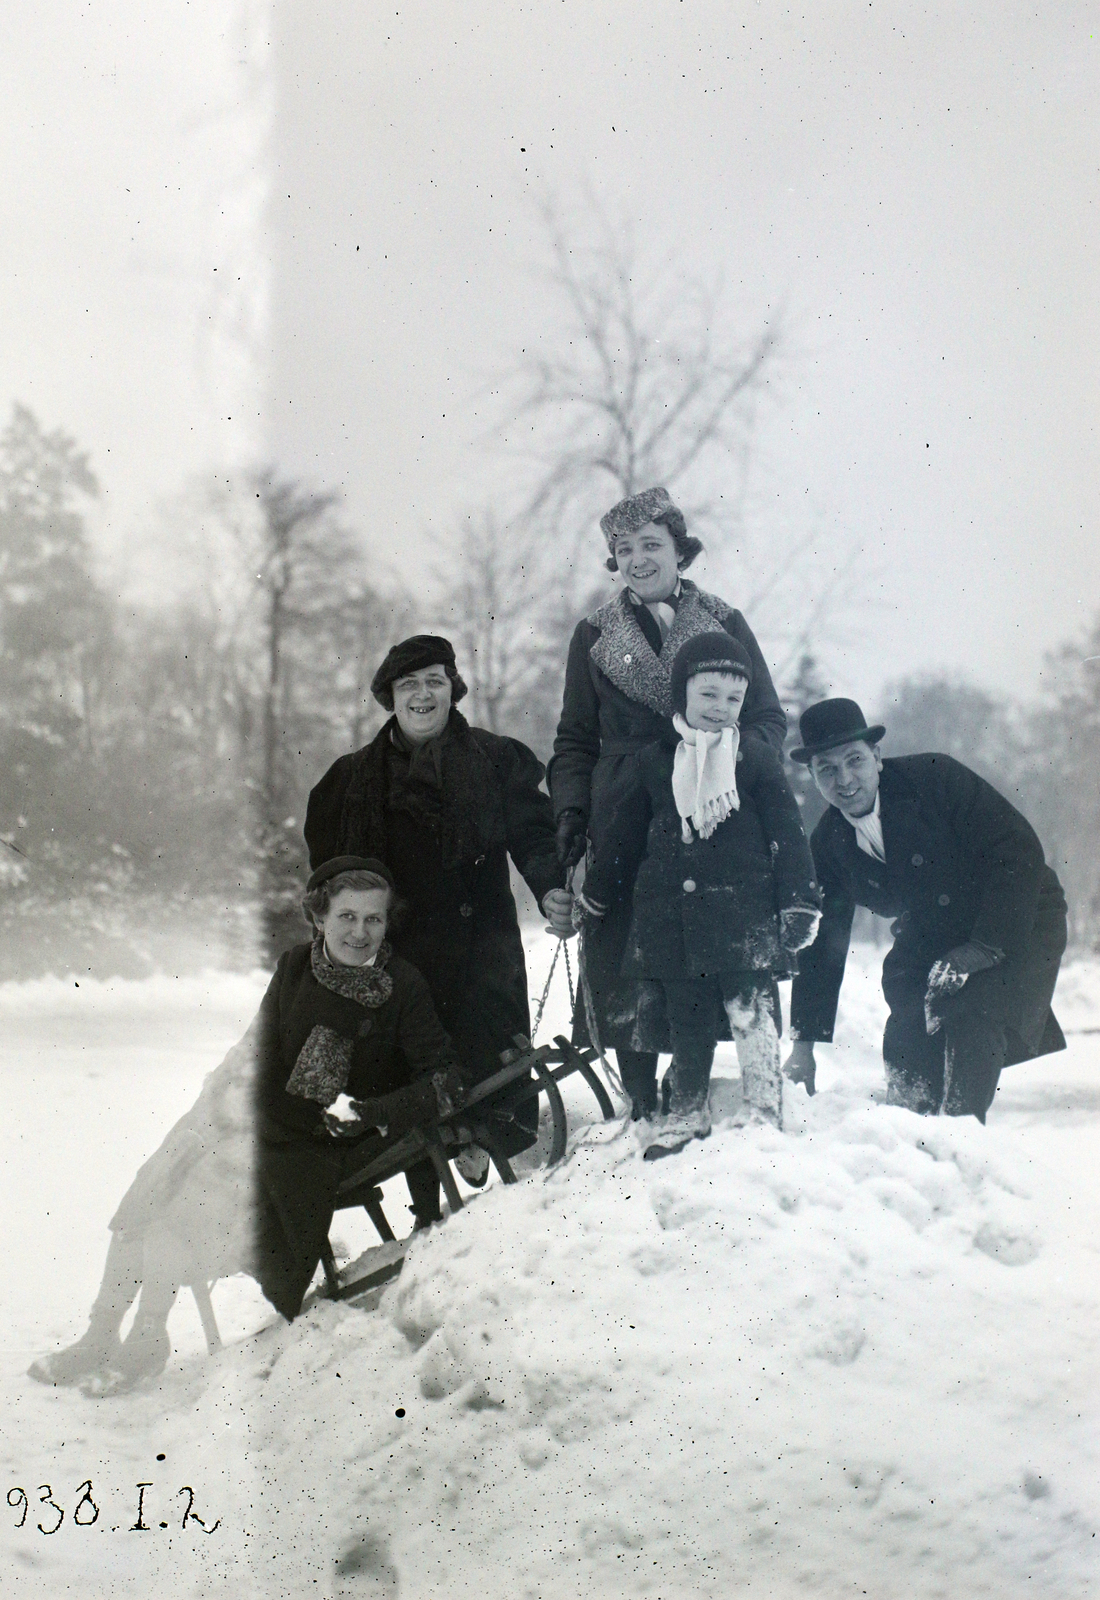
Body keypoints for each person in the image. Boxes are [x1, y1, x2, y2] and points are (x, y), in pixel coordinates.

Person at [29, 858, 468, 1396]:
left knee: (188, 1202)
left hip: (328, 1143)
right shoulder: (294, 968)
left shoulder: (401, 984)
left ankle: (145, 1340)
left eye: (373, 920)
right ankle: (100, 1336)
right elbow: (253, 1050)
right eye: (347, 916)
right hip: (266, 1120)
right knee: (159, 1180)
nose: (360, 932)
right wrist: (214, 1103)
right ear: (319, 917)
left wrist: (371, 1112)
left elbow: (444, 1081)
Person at [305, 636, 570, 1225]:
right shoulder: (351, 781)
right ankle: (429, 1209)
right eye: (409, 686)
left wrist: (550, 886)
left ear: (453, 688)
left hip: (483, 948)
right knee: (416, 1070)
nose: (423, 695)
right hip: (400, 956)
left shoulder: (495, 760)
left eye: (434, 681)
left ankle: (503, 1190)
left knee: (491, 1058)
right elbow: (331, 875)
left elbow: (533, 833)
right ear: (389, 699)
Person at [550, 487, 788, 1120]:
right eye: (622, 549)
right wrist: (572, 818)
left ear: (680, 552)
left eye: (650, 545)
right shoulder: (594, 634)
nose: (637, 559)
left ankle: (741, 1098)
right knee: (627, 946)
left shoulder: (725, 620)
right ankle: (643, 1101)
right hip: (627, 805)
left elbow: (766, 717)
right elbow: (574, 739)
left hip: (714, 806)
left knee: (720, 947)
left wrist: (732, 759)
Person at [575, 634, 821, 1155]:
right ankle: (685, 1111)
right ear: (680, 695)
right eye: (708, 695)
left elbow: (787, 831)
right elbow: (622, 838)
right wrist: (596, 894)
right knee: (686, 1020)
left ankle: (763, 1105)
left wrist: (799, 900)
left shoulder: (752, 757)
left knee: (751, 1012)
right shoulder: (653, 760)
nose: (720, 709)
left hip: (742, 918)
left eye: (734, 699)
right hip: (673, 921)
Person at [783, 699, 1068, 1121]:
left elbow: (1018, 851)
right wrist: (803, 1045)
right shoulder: (828, 844)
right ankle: (909, 1125)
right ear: (812, 775)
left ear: (877, 757)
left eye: (854, 760)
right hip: (936, 929)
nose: (844, 780)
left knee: (975, 1008)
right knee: (906, 1008)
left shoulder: (935, 778)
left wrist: (985, 947)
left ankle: (960, 1130)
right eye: (827, 768)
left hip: (1016, 912)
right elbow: (824, 940)